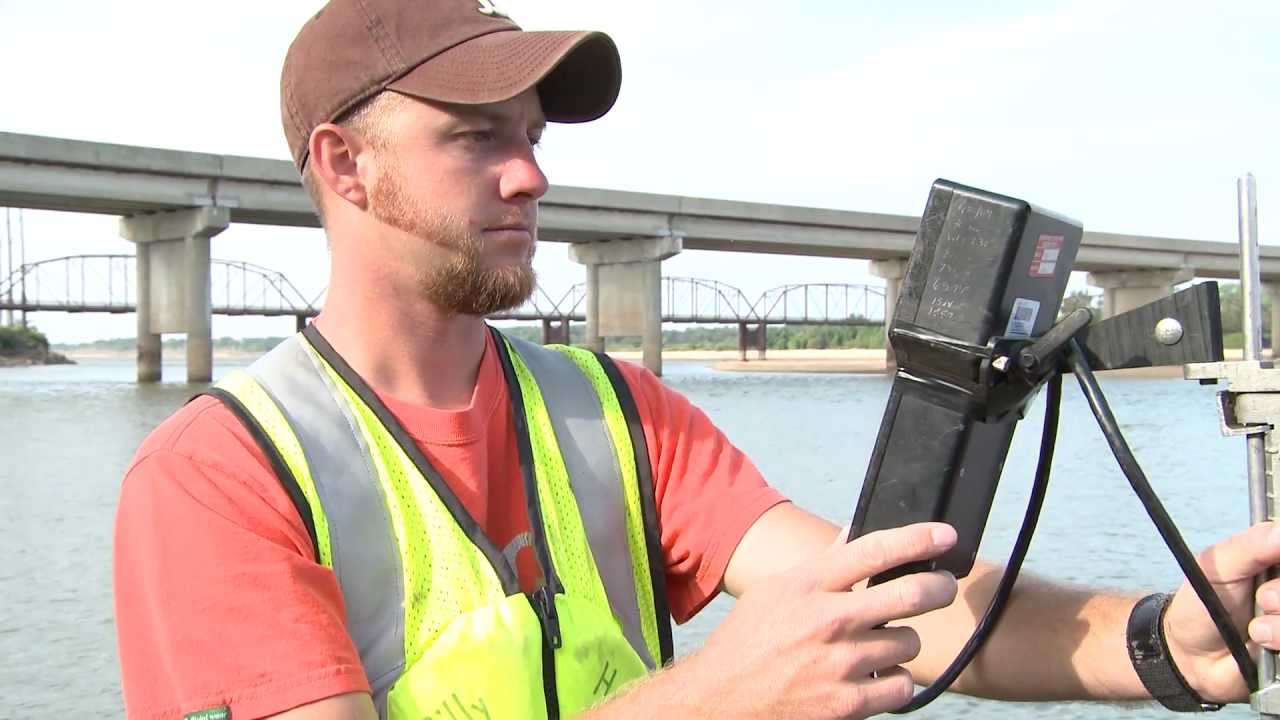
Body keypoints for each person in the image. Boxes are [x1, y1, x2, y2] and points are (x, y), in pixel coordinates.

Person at [112, 0, 1280, 718]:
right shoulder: (218, 480)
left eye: (530, 137)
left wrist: (1156, 639)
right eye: (474, 139)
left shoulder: (612, 411)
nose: (530, 175)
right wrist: (716, 703)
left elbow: (880, 603)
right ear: (343, 164)